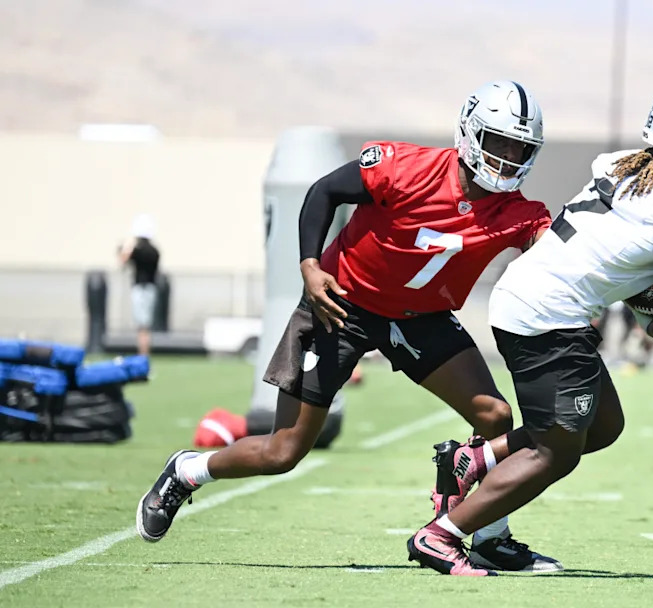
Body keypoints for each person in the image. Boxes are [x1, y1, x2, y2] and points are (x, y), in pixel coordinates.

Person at [136, 80, 563, 572]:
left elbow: (560, 252)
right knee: (283, 451)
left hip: (419, 318)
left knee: (494, 416)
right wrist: (309, 265)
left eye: (519, 149)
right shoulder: (406, 167)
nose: (508, 158)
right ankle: (188, 470)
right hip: (341, 305)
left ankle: (489, 536)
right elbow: (324, 192)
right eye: (499, 143)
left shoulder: (519, 213)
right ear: (470, 133)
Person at [407, 81, 653, 576]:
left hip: (525, 298)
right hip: (549, 316)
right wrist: (647, 309)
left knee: (603, 424)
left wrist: (635, 286)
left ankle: (477, 461)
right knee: (556, 452)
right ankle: (442, 535)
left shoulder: (620, 165)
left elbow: (616, 251)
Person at [118, 214, 161, 356]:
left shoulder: (138, 251)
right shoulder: (155, 251)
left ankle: (143, 356)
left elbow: (123, 260)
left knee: (142, 328)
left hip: (140, 289)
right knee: (146, 326)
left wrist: (128, 246)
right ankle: (144, 355)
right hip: (151, 289)